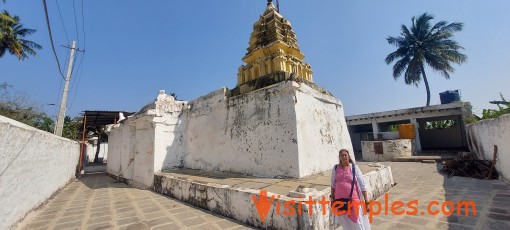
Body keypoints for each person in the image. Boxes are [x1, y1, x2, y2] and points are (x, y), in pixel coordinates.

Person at [330, 149, 371, 230]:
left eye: (345, 155)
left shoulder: (354, 168)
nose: (344, 156)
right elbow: (333, 185)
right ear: (339, 157)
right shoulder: (335, 168)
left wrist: (366, 201)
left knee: (357, 223)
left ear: (348, 156)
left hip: (353, 200)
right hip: (340, 201)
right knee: (346, 224)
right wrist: (332, 199)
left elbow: (362, 185)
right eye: (342, 155)